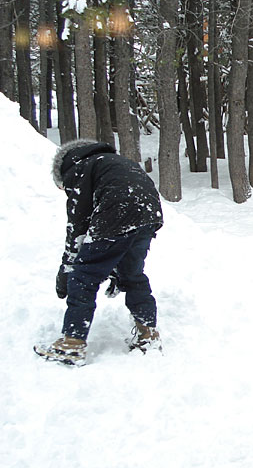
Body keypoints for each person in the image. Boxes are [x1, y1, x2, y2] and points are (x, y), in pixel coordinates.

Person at [34, 139, 164, 366]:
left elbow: (78, 226)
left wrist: (67, 270)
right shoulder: (111, 162)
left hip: (118, 210)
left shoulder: (78, 169)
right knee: (132, 274)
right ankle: (148, 335)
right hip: (149, 213)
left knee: (84, 275)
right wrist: (115, 267)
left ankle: (72, 343)